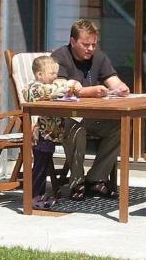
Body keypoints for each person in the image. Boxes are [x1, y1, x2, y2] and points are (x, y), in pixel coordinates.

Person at [51, 19, 130, 198]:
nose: (91, 49)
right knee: (74, 126)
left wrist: (121, 88)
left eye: (94, 44)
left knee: (121, 127)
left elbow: (114, 81)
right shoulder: (60, 57)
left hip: (91, 118)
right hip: (63, 120)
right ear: (72, 41)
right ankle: (77, 182)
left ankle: (95, 178)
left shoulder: (99, 57)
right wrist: (89, 92)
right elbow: (60, 89)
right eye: (86, 44)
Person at [23, 54, 87, 202]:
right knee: (39, 168)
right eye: (52, 74)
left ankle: (39, 195)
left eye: (56, 74)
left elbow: (56, 94)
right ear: (39, 74)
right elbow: (49, 91)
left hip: (51, 135)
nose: (55, 77)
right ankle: (34, 197)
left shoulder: (50, 88)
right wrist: (67, 84)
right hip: (39, 134)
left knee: (44, 165)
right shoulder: (34, 88)